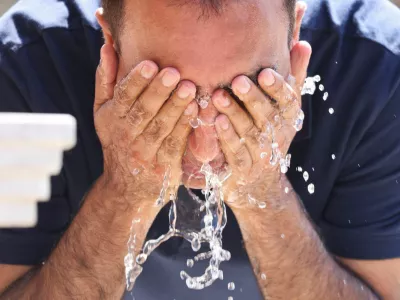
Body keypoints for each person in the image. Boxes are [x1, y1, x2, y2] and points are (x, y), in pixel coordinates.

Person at [0, 0, 399, 298]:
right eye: (169, 98)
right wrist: (125, 190)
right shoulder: (24, 73)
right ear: (110, 42)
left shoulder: (379, 76)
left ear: (294, 32)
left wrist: (263, 193)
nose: (206, 149)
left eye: (243, 97)